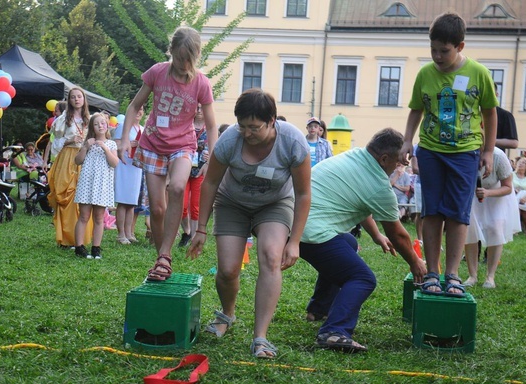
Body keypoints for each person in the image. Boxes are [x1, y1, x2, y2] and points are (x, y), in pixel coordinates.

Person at [187, 89, 311, 359]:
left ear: (272, 121)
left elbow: (303, 194)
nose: (247, 133)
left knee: (270, 256)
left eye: (254, 127)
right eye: (242, 126)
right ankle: (227, 314)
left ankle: (261, 338)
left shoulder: (293, 142)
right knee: (228, 270)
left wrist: (295, 241)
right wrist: (200, 228)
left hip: (275, 205)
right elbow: (210, 182)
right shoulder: (229, 140)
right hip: (232, 203)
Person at [301, 128, 426, 352]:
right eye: (398, 162)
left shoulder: (355, 157)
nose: (399, 168)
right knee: (362, 278)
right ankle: (334, 331)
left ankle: (318, 310)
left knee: (348, 244)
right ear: (384, 158)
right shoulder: (378, 184)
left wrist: (376, 235)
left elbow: (361, 200)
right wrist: (415, 261)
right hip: (312, 232)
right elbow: (398, 234)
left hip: (296, 225)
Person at [399, 12, 498, 296]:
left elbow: (490, 114)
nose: (438, 56)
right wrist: (408, 141)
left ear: (460, 47)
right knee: (432, 212)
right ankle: (432, 272)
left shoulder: (478, 73)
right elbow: (416, 108)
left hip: (465, 154)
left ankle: (452, 275)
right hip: (430, 151)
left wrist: (488, 151)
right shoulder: (425, 74)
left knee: (457, 215)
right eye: (433, 50)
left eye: (444, 51)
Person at [118, 26, 217, 281]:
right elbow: (134, 106)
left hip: (183, 145)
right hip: (152, 144)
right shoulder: (158, 72)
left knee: (177, 189)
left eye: (189, 59)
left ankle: (164, 256)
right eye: (179, 58)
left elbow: (213, 125)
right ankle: (162, 258)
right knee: (158, 209)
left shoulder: (201, 83)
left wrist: (212, 158)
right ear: (171, 51)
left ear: (195, 56)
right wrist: (123, 139)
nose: (184, 65)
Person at [464, 148, 520, 289]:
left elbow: (507, 187)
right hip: (472, 193)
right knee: (469, 229)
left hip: (496, 193)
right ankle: (472, 275)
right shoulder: (466, 151)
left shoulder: (499, 156)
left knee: (495, 228)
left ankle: (490, 276)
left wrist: (488, 193)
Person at [47, 87, 91, 248]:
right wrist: (71, 140)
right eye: (73, 97)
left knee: (83, 199)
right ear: (69, 101)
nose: (76, 99)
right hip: (68, 158)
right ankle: (65, 237)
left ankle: (79, 238)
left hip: (85, 158)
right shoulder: (64, 119)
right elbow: (56, 144)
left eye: (79, 96)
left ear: (84, 99)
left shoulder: (89, 119)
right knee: (66, 195)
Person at [73, 113, 119, 259]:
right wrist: (86, 147)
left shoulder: (111, 144)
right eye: (96, 124)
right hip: (87, 183)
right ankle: (79, 246)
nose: (100, 126)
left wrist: (105, 148)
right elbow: (78, 161)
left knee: (99, 217)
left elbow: (114, 163)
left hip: (102, 185)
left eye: (103, 123)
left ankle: (96, 247)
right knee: (84, 216)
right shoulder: (88, 143)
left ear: (107, 126)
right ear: (92, 127)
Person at [179, 104, 209, 247]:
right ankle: (187, 232)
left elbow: (215, 150)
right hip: (184, 169)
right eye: (197, 108)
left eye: (202, 108)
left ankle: (195, 237)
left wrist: (208, 162)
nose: (199, 111)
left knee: (196, 206)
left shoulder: (210, 128)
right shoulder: (186, 126)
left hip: (200, 171)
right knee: (182, 205)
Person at [113, 106, 144, 244]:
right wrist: (127, 143)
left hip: (137, 166)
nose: (139, 112)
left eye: (141, 109)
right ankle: (120, 234)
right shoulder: (123, 127)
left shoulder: (142, 129)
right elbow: (114, 143)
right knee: (123, 200)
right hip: (124, 164)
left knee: (132, 202)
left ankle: (129, 233)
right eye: (137, 108)